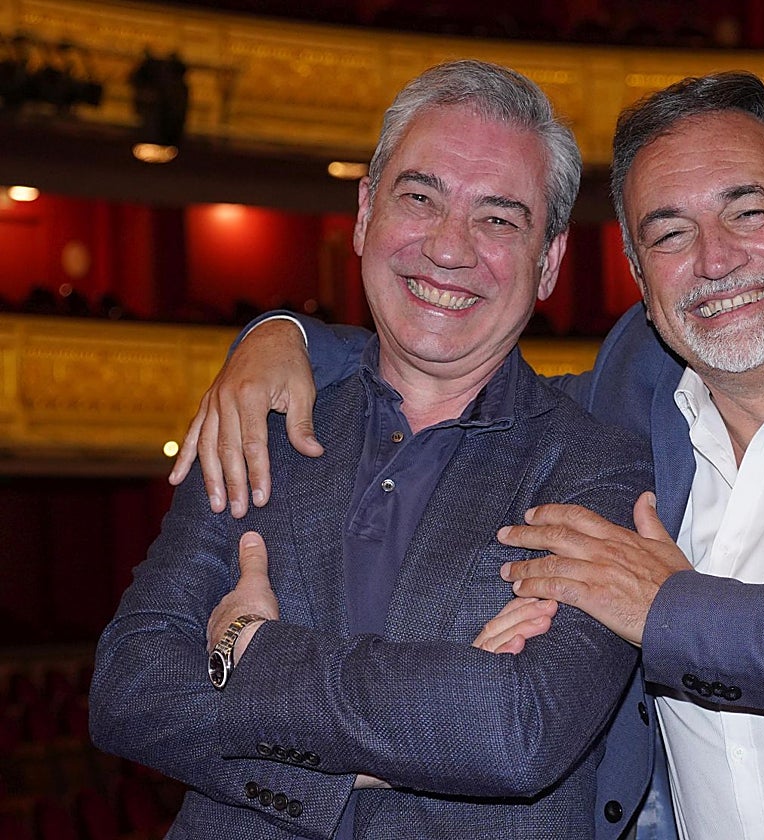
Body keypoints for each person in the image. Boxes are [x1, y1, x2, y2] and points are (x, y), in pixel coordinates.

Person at [177, 72, 764, 840]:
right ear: (636, 272)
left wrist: (671, 610)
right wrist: (282, 335)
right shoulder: (631, 389)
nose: (715, 260)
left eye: (749, 211)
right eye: (669, 233)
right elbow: (449, 351)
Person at [89, 60, 661, 840]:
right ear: (364, 214)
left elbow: (517, 732)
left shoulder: (601, 468)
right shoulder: (257, 424)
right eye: (420, 198)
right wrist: (409, 736)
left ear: (550, 262)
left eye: (499, 219)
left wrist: (253, 652)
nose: (449, 248)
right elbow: (130, 688)